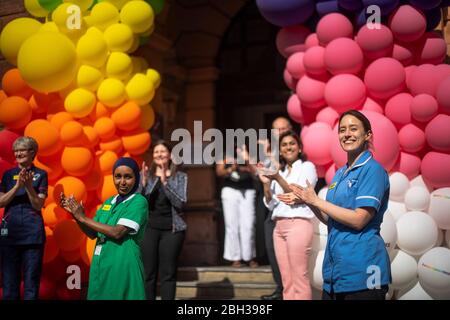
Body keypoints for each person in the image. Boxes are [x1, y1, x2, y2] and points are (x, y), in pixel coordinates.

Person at [289, 110, 391, 300]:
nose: (347, 134)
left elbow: (359, 220)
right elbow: (330, 219)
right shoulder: (340, 173)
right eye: (342, 130)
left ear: (368, 134)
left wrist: (316, 201)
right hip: (336, 273)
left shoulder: (373, 170)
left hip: (365, 270)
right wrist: (308, 202)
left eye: (353, 129)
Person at [60, 157, 148, 300]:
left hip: (123, 263)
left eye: (128, 177)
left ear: (136, 178)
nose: (122, 182)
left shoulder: (139, 201)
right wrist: (75, 214)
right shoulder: (109, 202)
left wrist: (83, 218)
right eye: (118, 176)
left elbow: (117, 232)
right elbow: (93, 233)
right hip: (102, 264)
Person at [259, 130, 317, 300]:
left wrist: (276, 178)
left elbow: (298, 195)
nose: (288, 147)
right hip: (279, 227)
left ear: (299, 148)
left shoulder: (308, 167)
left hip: (298, 224)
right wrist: (265, 184)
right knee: (287, 281)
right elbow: (271, 203)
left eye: (292, 143)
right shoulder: (282, 172)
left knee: (299, 277)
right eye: (284, 145)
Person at [0, 137, 47, 300]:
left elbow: (38, 205)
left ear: (32, 152)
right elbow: (1, 202)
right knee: (9, 284)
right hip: (9, 236)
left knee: (30, 285)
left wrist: (28, 187)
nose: (18, 153)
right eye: (16, 150)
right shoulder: (7, 175)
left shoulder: (41, 174)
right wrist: (17, 186)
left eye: (22, 150)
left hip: (32, 236)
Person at [140, 140, 187, 300]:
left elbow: (180, 203)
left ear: (170, 155)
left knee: (168, 273)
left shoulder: (180, 177)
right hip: (149, 229)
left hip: (172, 230)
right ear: (153, 157)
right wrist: (143, 184)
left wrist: (166, 183)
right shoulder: (147, 176)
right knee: (148, 273)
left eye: (162, 151)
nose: (159, 154)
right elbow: (139, 204)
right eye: (156, 152)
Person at [259, 116, 292, 300]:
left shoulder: (293, 152)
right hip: (274, 210)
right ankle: (280, 289)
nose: (279, 133)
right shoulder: (269, 154)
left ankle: (289, 291)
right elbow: (267, 191)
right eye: (276, 130)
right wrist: (264, 183)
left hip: (293, 213)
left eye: (282, 128)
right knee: (272, 252)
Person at [216, 144, 258, 268]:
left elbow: (257, 172)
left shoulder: (250, 155)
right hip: (230, 190)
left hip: (248, 190)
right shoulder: (225, 155)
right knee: (231, 225)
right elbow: (219, 172)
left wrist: (247, 159)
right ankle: (235, 258)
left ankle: (249, 256)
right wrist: (231, 168)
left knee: (248, 225)